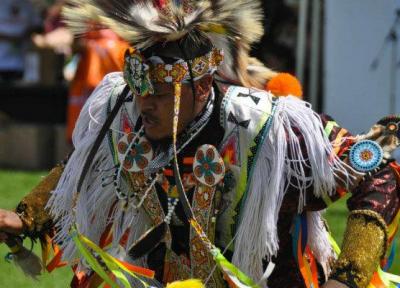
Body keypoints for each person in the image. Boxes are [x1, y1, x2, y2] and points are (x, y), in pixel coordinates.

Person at [0, 1, 399, 288]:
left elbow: (379, 170)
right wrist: (28, 216)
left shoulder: (270, 131)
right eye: (140, 90)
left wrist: (348, 278)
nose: (145, 104)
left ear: (204, 85)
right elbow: (84, 167)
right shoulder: (125, 111)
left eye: (160, 93)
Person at [0, 0, 41, 82]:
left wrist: (26, 34)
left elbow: (38, 26)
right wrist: (10, 38)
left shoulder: (27, 4)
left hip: (22, 63)